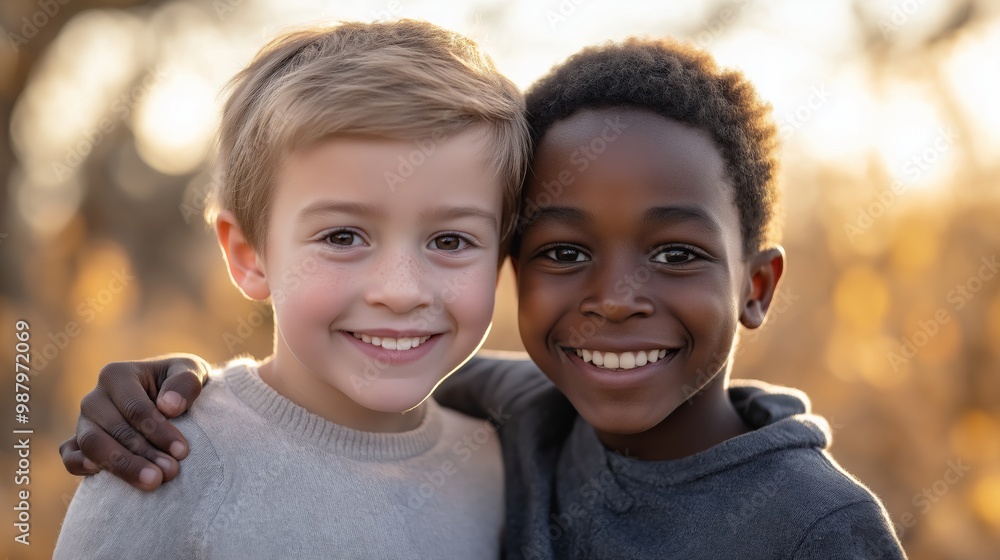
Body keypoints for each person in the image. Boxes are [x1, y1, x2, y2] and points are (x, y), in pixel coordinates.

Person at [60, 37, 907, 559]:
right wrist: (179, 387)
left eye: (450, 241)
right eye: (565, 252)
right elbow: (326, 401)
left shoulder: (816, 528)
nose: (614, 300)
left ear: (756, 286)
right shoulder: (517, 419)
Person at [53, 19, 529, 559]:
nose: (401, 291)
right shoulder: (162, 462)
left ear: (500, 260)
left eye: (450, 240)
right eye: (343, 236)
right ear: (249, 255)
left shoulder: (504, 465)